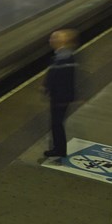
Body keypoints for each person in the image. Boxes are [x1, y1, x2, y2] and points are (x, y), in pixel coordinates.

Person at [43, 29, 78, 158]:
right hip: (61, 96)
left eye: (53, 39)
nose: (50, 41)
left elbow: (60, 77)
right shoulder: (63, 55)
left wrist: (48, 87)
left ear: (60, 41)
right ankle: (58, 148)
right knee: (56, 123)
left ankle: (59, 150)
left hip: (60, 97)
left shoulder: (63, 57)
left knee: (57, 124)